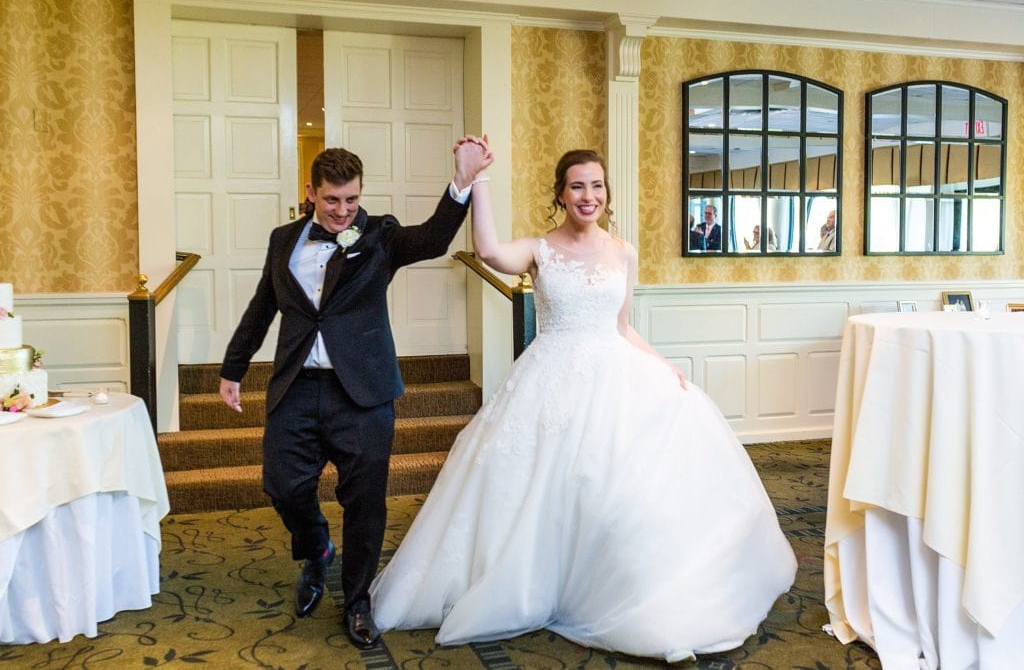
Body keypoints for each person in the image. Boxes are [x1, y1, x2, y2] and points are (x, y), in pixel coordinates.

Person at [369, 146, 797, 662]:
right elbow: (488, 252)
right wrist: (477, 181)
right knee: (545, 487)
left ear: (606, 193)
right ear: (560, 194)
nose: (587, 196)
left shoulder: (624, 251)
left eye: (596, 186)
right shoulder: (539, 249)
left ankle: (620, 582)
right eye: (577, 186)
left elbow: (620, 326)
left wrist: (664, 365)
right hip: (551, 379)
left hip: (618, 378)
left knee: (621, 490)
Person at [218, 140, 492, 649]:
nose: (343, 211)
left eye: (351, 200)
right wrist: (233, 367)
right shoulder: (283, 240)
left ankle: (358, 598)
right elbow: (263, 306)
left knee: (364, 502)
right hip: (297, 385)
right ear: (311, 193)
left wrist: (462, 181)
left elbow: (432, 240)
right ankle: (317, 547)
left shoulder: (380, 235)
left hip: (362, 392)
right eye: (331, 201)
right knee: (283, 486)